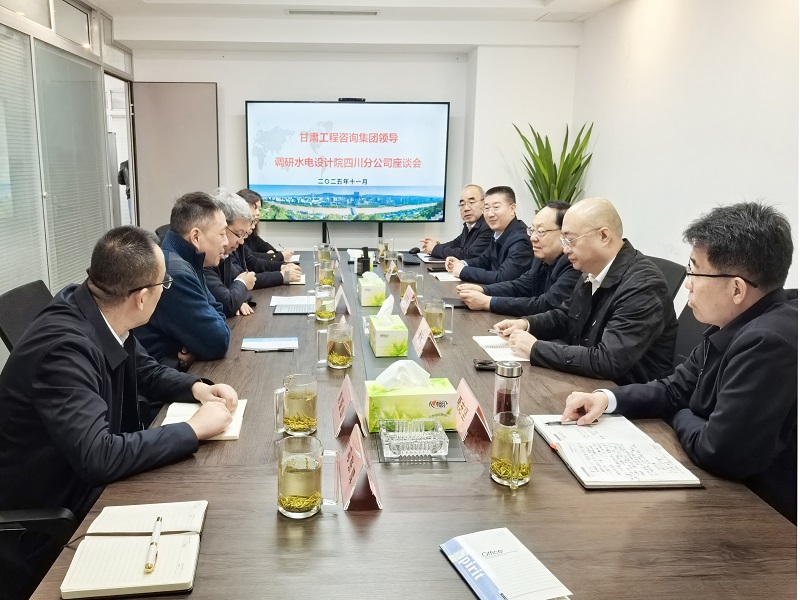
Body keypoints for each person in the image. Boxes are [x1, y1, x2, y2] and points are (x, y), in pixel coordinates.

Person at [0, 227, 237, 599]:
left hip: (86, 483)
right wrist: (193, 429)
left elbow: (145, 369)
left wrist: (196, 388)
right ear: (142, 298)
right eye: (165, 284)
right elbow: (99, 456)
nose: (166, 290)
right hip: (52, 520)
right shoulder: (63, 351)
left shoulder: (99, 310)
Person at [560, 202, 797, 523]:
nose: (687, 283)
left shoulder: (769, 341)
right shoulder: (733, 322)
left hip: (763, 516)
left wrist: (679, 412)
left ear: (737, 289)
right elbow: (675, 388)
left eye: (695, 270)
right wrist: (606, 398)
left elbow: (719, 451)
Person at [495, 197, 677, 385]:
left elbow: (607, 360)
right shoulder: (591, 269)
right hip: (586, 382)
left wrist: (535, 348)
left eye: (570, 240)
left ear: (603, 236)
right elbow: (566, 316)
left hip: (624, 393)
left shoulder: (644, 286)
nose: (565, 249)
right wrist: (527, 324)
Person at [135, 192, 230, 369]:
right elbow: (219, 340)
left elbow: (218, 311)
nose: (226, 242)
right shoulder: (176, 273)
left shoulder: (186, 259)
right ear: (195, 237)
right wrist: (201, 343)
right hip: (160, 376)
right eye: (222, 233)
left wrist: (198, 343)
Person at [455, 201, 579, 316]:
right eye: (532, 230)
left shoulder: (573, 264)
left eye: (541, 231)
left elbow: (545, 304)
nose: (533, 238)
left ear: (564, 234)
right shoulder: (541, 257)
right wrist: (484, 289)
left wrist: (488, 302)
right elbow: (521, 285)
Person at [205, 189, 302, 317]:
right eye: (239, 234)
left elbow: (243, 282)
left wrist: (238, 295)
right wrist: (237, 295)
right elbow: (237, 288)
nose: (242, 241)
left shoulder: (227, 250)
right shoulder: (205, 259)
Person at [445, 186, 533, 284]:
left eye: (496, 207)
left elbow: (503, 277)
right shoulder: (498, 232)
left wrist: (463, 271)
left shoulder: (521, 240)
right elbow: (484, 260)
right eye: (486, 208)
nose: (490, 214)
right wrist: (462, 263)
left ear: (512, 208)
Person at [419, 184, 492, 259]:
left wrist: (435, 249)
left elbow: (468, 254)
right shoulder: (470, 225)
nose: (466, 208)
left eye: (471, 202)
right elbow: (455, 244)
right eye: (462, 204)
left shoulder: (488, 226)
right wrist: (435, 246)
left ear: (484, 203)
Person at [237, 188, 294, 262]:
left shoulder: (251, 233)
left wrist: (270, 252)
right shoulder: (237, 234)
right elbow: (250, 258)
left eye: (260, 210)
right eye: (255, 208)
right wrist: (280, 256)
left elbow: (264, 245)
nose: (258, 213)